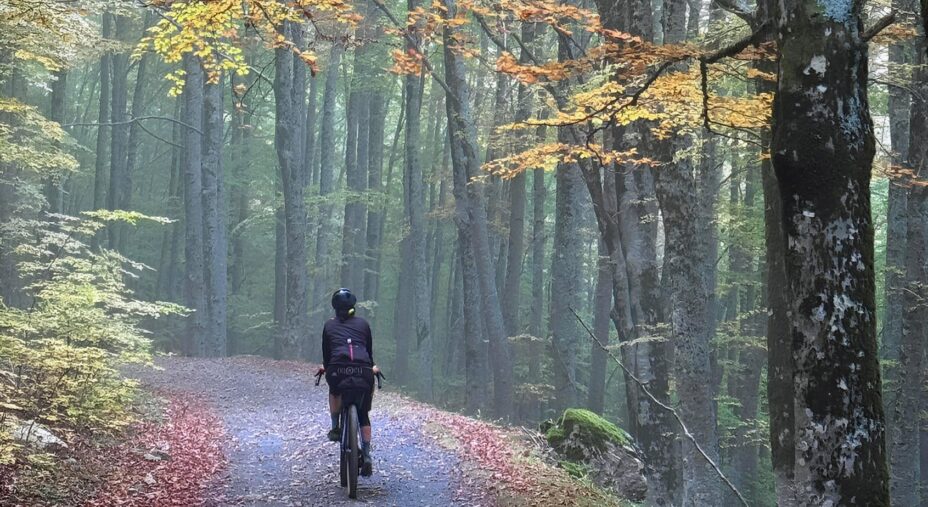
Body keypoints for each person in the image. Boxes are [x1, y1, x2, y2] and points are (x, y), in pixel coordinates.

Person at [316, 288, 380, 476]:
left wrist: (326, 367)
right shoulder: (364, 324)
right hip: (363, 371)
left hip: (337, 369)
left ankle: (335, 426)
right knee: (363, 413)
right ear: (353, 306)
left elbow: (327, 355)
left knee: (335, 390)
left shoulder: (329, 326)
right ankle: (367, 455)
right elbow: (368, 352)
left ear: (334, 308)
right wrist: (373, 367)